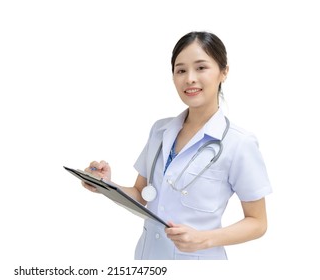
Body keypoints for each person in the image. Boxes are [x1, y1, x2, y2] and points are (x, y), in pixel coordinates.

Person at [81, 31, 272, 260]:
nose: (190, 78)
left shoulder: (239, 143)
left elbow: (258, 222)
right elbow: (142, 194)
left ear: (224, 72)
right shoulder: (160, 131)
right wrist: (106, 185)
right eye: (181, 70)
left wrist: (205, 239)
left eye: (201, 68)